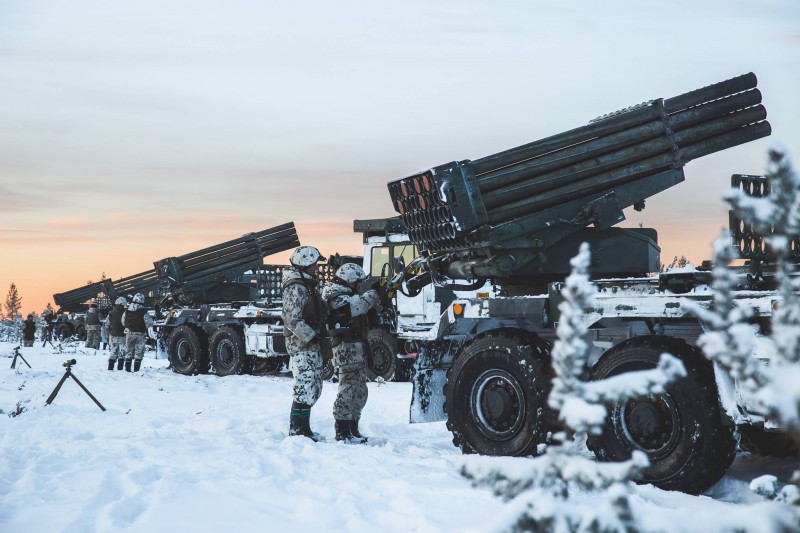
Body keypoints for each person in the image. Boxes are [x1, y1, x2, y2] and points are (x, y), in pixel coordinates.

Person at [322, 263, 380, 444]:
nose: (359, 286)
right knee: (347, 390)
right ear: (350, 281)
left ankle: (353, 428)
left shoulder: (347, 294)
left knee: (360, 391)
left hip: (356, 348)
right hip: (345, 349)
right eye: (358, 283)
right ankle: (342, 431)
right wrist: (374, 294)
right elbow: (357, 307)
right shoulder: (336, 296)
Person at [282, 245, 328, 440]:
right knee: (305, 384)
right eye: (314, 264)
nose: (317, 268)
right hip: (302, 345)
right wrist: (311, 336)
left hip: (310, 343)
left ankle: (303, 429)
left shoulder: (307, 285)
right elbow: (292, 319)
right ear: (306, 263)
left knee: (313, 385)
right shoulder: (296, 287)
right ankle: (298, 429)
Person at [122, 293, 153, 372]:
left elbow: (123, 322)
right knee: (138, 352)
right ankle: (136, 370)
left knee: (128, 352)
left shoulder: (127, 311)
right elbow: (148, 322)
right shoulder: (143, 311)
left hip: (129, 334)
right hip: (140, 334)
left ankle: (127, 369)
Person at [106, 297, 127, 370]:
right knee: (122, 353)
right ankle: (120, 369)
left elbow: (107, 325)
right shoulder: (126, 313)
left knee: (113, 353)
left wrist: (107, 335)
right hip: (123, 336)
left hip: (113, 335)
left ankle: (110, 368)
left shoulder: (111, 313)